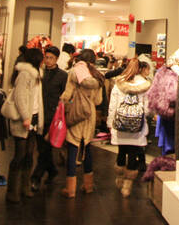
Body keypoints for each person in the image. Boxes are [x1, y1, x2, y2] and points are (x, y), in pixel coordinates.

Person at [59, 49, 102, 197]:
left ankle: (70, 189)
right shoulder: (97, 76)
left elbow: (67, 95)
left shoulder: (74, 72)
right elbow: (98, 101)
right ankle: (88, 185)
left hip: (75, 113)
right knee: (87, 148)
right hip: (89, 114)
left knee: (73, 147)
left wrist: (62, 107)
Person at [107, 56, 153, 197]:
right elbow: (148, 108)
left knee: (121, 151)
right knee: (133, 152)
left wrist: (110, 122)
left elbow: (112, 105)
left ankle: (120, 177)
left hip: (120, 125)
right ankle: (127, 186)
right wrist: (142, 116)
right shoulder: (145, 85)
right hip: (137, 127)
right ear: (140, 69)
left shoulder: (119, 83)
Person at [3, 47, 43, 203]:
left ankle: (24, 186)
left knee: (29, 155)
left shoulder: (37, 75)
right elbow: (20, 97)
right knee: (19, 155)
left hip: (33, 117)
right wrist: (26, 116)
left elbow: (37, 99)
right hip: (23, 119)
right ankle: (13, 191)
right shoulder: (25, 75)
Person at [32, 45, 67, 193]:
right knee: (42, 148)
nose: (48, 60)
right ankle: (52, 170)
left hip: (53, 118)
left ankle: (36, 178)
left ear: (57, 59)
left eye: (51, 58)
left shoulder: (62, 76)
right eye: (46, 57)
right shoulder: (39, 74)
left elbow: (65, 97)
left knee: (45, 149)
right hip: (39, 115)